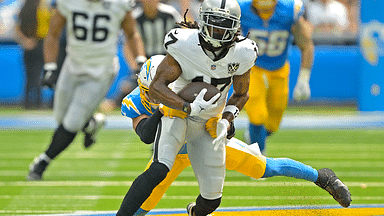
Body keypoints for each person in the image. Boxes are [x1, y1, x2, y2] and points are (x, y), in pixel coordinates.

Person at [121, 55, 351, 215]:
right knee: (144, 201)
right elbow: (146, 134)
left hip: (205, 140)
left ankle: (322, 177)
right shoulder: (137, 101)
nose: (157, 96)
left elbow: (225, 120)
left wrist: (224, 125)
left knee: (264, 168)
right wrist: (165, 108)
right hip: (170, 152)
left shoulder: (194, 85)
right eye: (154, 92)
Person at [116, 0, 259, 215]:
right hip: (176, 114)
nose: (219, 31)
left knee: (212, 201)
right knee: (158, 169)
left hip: (207, 124)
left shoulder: (243, 52)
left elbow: (241, 94)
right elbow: (155, 92)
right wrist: (186, 107)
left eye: (225, 25)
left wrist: (226, 119)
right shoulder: (182, 44)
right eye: (214, 24)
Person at [26, 0, 146, 181]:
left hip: (100, 71)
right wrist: (50, 67)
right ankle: (91, 123)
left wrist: (140, 59)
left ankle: (42, 162)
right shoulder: (69, 3)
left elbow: (132, 33)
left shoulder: (119, 3)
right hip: (72, 67)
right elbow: (53, 33)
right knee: (61, 119)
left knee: (72, 124)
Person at [239, 0, 315, 154]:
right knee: (257, 114)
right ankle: (259, 156)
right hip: (252, 67)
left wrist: (304, 79)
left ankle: (255, 135)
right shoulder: (240, 9)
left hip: (279, 69)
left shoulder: (290, 11)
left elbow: (306, 44)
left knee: (274, 121)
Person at [100, 0, 182, 112]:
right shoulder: (135, 16)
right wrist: (136, 67)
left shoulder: (170, 14)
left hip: (168, 62)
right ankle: (114, 102)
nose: (150, 2)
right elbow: (127, 44)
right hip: (145, 64)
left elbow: (183, 37)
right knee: (129, 88)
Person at [14, 0, 52, 110]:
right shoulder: (43, 8)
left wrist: (25, 41)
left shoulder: (25, 8)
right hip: (39, 43)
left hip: (30, 44)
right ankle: (37, 103)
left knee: (29, 75)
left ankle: (27, 103)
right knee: (36, 74)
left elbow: (17, 28)